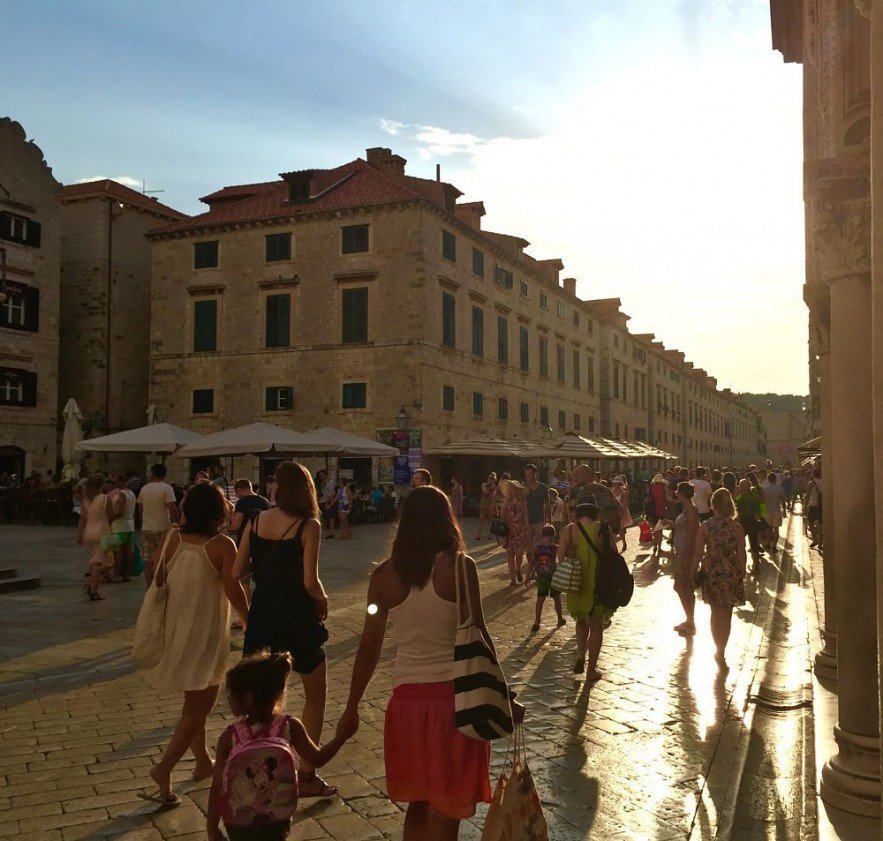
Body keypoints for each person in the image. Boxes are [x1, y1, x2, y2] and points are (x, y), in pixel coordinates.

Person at [337, 486, 525, 840]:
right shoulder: (458, 569)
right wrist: (504, 694)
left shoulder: (382, 579)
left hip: (406, 706)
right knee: (447, 809)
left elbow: (368, 647)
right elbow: (479, 634)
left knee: (418, 805)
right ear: (446, 520)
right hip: (454, 704)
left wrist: (351, 706)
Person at [233, 461, 337, 799]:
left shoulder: (255, 520)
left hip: (263, 615)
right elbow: (310, 581)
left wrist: (265, 571)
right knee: (315, 695)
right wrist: (322, 599)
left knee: (261, 698)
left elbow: (237, 572)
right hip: (296, 617)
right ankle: (306, 772)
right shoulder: (309, 526)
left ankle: (257, 769)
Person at [143, 483, 249, 806]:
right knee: (200, 705)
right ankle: (163, 769)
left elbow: (153, 574)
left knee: (194, 699)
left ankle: (202, 762)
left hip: (177, 626)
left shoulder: (172, 538)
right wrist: (250, 619)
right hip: (205, 631)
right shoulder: (221, 546)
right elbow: (234, 590)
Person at [207, 652, 356, 841]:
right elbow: (317, 758)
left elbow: (218, 786)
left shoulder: (230, 737)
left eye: (232, 694)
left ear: (248, 698)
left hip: (240, 820)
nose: (228, 699)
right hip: (278, 817)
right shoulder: (288, 726)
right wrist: (342, 737)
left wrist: (212, 828)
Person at [558, 501, 616, 680]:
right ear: (596, 514)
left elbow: (560, 557)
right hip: (598, 583)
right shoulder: (603, 529)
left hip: (577, 583)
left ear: (577, 515)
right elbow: (614, 553)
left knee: (581, 622)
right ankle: (591, 670)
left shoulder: (569, 530)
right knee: (596, 625)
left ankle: (580, 655)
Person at [694, 488, 747, 669]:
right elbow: (742, 553)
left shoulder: (706, 527)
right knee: (727, 614)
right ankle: (722, 649)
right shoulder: (737, 528)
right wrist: (742, 572)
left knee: (715, 613)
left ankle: (718, 648)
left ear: (713, 506)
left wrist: (694, 570)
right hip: (731, 574)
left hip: (712, 573)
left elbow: (699, 552)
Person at [137, 464, 179, 576]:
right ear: (165, 474)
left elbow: (140, 509)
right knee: (163, 558)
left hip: (147, 528)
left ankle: (149, 587)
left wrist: (143, 522)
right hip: (163, 527)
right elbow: (172, 507)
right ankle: (160, 584)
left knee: (148, 561)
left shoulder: (144, 489)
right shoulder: (167, 488)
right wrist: (178, 522)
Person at [77, 473, 112, 601]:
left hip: (89, 531)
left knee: (94, 558)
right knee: (99, 561)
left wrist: (79, 534)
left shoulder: (87, 499)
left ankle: (90, 584)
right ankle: (93, 590)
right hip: (102, 531)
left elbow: (82, 519)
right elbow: (110, 514)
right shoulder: (104, 498)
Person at [671, 482, 700, 636]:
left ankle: (691, 620)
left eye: (677, 491)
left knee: (683, 586)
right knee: (682, 586)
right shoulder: (685, 508)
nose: (676, 493)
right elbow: (683, 528)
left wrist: (687, 557)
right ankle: (689, 619)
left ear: (682, 493)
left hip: (685, 552)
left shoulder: (692, 510)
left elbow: (692, 534)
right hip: (680, 550)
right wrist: (670, 524)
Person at [528, 524, 566, 633]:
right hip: (544, 577)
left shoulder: (554, 547)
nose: (549, 538)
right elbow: (531, 562)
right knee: (542, 599)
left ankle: (558, 618)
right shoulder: (538, 548)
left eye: (550, 536)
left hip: (552, 577)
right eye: (547, 535)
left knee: (555, 598)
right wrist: (528, 575)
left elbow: (563, 554)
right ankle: (537, 621)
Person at [499, 478, 530, 586]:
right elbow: (502, 516)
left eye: (514, 488)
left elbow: (526, 516)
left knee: (519, 553)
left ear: (517, 490)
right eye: (510, 488)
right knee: (510, 555)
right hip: (509, 530)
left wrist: (527, 529)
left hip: (520, 529)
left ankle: (518, 569)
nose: (512, 490)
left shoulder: (523, 501)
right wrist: (502, 532)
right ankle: (512, 578)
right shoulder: (506, 501)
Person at [107, 474, 137, 581]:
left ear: (121, 481)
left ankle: (116, 573)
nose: (114, 484)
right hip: (130, 524)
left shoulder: (121, 494)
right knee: (128, 550)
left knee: (118, 551)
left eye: (115, 482)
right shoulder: (132, 493)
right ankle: (127, 573)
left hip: (119, 525)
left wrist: (110, 519)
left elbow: (120, 511)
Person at [230, 479, 271, 543]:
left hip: (244, 539)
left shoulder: (241, 502)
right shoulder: (265, 501)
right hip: (261, 539)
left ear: (239, 490)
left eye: (236, 493)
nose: (237, 496)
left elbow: (236, 525)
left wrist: (231, 511)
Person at [523, 464, 550, 548]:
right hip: (526, 521)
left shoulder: (543, 487)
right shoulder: (523, 488)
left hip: (539, 520)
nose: (527, 476)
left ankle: (537, 560)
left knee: (539, 545)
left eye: (529, 474)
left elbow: (548, 504)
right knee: (528, 546)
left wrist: (549, 521)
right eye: (526, 474)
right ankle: (530, 561)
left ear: (535, 474)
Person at [761, 472, 786, 553]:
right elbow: (783, 500)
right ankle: (774, 546)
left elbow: (762, 501)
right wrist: (784, 511)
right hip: (776, 511)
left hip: (767, 511)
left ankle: (768, 543)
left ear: (768, 480)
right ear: (775, 479)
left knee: (768, 529)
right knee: (776, 530)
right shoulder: (780, 489)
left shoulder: (764, 489)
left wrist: (762, 512)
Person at [647, 473, 668, 556]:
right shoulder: (663, 488)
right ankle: (659, 547)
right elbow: (666, 498)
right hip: (661, 510)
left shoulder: (651, 487)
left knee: (655, 529)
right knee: (660, 530)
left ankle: (654, 546)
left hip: (652, 510)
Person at [611, 477, 632, 551]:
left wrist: (621, 513)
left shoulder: (623, 493)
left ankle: (624, 543)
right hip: (613, 512)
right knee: (612, 530)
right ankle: (614, 546)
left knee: (621, 529)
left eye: (615, 483)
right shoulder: (611, 491)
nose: (614, 484)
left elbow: (624, 504)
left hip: (621, 512)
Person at [474, 473, 497, 541]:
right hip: (483, 503)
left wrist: (494, 486)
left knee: (490, 520)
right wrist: (491, 488)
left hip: (490, 503)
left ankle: (489, 535)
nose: (491, 480)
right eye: (490, 479)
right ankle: (478, 534)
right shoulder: (483, 484)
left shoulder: (494, 486)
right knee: (481, 519)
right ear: (488, 478)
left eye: (492, 479)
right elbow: (485, 491)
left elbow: (494, 496)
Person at [805, 467, 822, 548]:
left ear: (813, 474)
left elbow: (807, 496)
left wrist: (805, 505)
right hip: (822, 505)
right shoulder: (824, 482)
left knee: (810, 522)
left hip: (813, 505)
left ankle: (815, 539)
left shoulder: (811, 483)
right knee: (821, 524)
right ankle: (821, 542)